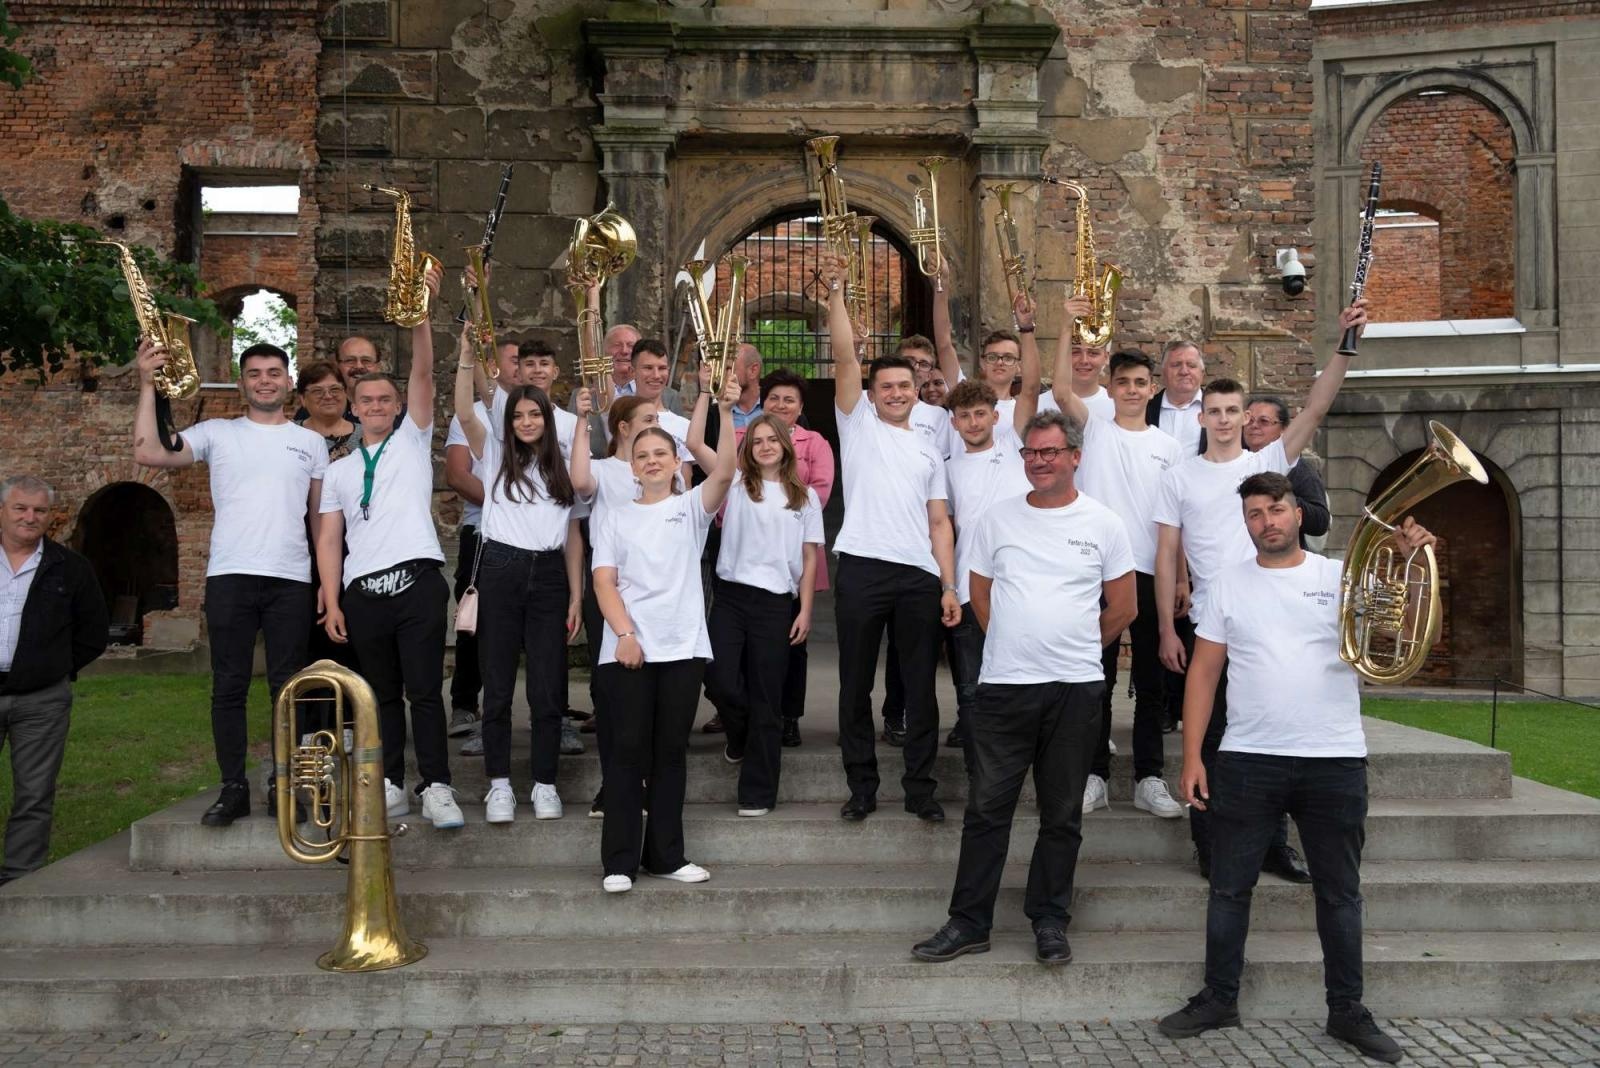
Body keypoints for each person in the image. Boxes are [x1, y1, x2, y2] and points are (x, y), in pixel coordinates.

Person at [1158, 471, 1420, 1065]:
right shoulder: (1226, 585)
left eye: (1275, 509)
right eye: (1253, 513)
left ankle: (1346, 1011)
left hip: (1334, 758)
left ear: (1298, 514)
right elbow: (1202, 674)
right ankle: (1219, 998)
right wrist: (1194, 755)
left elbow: (1389, 639)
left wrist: (1404, 568)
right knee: (1228, 889)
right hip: (1249, 757)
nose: (1265, 522)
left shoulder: (1341, 577)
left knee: (1340, 893)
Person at [1154, 300, 1368, 880]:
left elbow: (1318, 405)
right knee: (1216, 742)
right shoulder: (1177, 475)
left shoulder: (1267, 460)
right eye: (1214, 411)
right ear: (1199, 418)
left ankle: (1276, 847)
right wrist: (1168, 628)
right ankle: (1211, 846)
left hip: (1277, 622)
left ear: (1244, 415)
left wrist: (1345, 346)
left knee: (1271, 746)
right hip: (1211, 628)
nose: (1223, 419)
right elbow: (1167, 554)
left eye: (1232, 411)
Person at [911, 410, 1135, 965]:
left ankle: (1050, 919)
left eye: (1050, 452)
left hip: (1076, 689)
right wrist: (1017, 644)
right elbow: (979, 598)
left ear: (1075, 457)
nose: (1039, 461)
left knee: (1062, 814)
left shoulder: (1104, 522)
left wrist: (1076, 646)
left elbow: (1123, 607)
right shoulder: (995, 520)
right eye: (1031, 453)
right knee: (988, 809)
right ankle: (968, 922)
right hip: (1006, 688)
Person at [133, 340, 329, 827]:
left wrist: (327, 584)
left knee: (289, 689)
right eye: (255, 373)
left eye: (274, 372)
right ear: (242, 384)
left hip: (291, 579)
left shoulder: (310, 442)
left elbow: (321, 521)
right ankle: (233, 787)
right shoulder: (217, 433)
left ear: (288, 382)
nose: (265, 380)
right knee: (229, 687)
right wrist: (145, 383)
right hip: (230, 575)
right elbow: (149, 451)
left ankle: (284, 784)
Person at [317, 265, 465, 831]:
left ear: (396, 404)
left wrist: (422, 317)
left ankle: (439, 786)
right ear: (352, 408)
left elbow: (426, 373)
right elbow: (329, 538)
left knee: (425, 690)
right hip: (363, 592)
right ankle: (391, 782)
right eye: (366, 401)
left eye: (385, 399)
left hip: (417, 582)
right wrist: (332, 600)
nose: (376, 406)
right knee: (379, 696)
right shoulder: (340, 470)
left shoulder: (411, 438)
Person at [590, 376, 741, 893]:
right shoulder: (613, 516)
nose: (652, 460)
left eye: (661, 453)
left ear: (676, 463)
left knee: (670, 756)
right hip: (627, 650)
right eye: (643, 455)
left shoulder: (690, 508)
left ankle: (666, 855)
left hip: (682, 650)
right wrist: (625, 634)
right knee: (626, 755)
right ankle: (618, 862)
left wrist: (723, 406)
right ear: (631, 466)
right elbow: (603, 581)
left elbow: (726, 470)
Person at [826, 254, 961, 825]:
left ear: (917, 389)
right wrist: (836, 292)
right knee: (855, 684)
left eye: (906, 385)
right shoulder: (856, 423)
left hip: (918, 576)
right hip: (860, 566)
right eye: (887, 386)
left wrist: (949, 584)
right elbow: (843, 354)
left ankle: (920, 787)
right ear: (873, 391)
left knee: (922, 692)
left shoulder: (932, 447)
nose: (897, 393)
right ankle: (861, 785)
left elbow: (940, 523)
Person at [452, 330, 590, 823]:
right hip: (501, 570)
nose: (528, 421)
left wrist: (576, 594)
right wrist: (468, 358)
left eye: (536, 414)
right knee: (498, 685)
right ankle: (500, 785)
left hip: (550, 573)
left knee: (549, 687)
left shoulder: (561, 464)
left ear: (548, 419)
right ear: (509, 422)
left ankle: (546, 783)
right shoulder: (493, 454)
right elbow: (467, 412)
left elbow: (574, 533)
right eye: (519, 415)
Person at [1051, 335, 1185, 821]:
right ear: (1108, 387)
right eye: (1122, 382)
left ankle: (1150, 778)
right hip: (1096, 572)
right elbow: (1062, 390)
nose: (1131, 390)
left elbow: (1175, 520)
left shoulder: (1169, 447)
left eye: (1140, 383)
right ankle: (1095, 776)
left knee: (1152, 684)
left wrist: (1182, 579)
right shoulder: (1095, 429)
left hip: (1151, 571)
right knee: (1096, 679)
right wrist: (1068, 325)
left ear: (1153, 389)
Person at [702, 413, 824, 816]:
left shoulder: (804, 498)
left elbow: (809, 558)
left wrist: (805, 610)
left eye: (773, 439)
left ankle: (757, 792)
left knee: (768, 697)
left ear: (786, 445)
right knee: (719, 677)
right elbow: (694, 445)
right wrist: (720, 405)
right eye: (757, 441)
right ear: (747, 449)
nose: (766, 446)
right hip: (732, 598)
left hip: (776, 602)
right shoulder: (735, 484)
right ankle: (739, 737)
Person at [941, 289, 1041, 759]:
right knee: (970, 680)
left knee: (1016, 674)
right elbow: (944, 527)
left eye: (981, 413)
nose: (974, 421)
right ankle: (980, 756)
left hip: (1017, 583)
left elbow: (1034, 388)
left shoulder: (1012, 447)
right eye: (965, 415)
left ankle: (1014, 750)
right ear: (955, 422)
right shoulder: (947, 465)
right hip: (966, 583)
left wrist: (1027, 330)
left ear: (995, 417)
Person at [0, 475, 109, 885]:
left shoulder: (70, 567)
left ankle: (20, 878)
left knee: (34, 792)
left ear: (50, 516)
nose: (30, 518)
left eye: (39, 511)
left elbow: (94, 632)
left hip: (42, 699)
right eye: (20, 508)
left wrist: (54, 668)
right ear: (3, 511)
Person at [578, 394, 662, 817]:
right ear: (623, 427)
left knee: (651, 696)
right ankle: (612, 784)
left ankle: (645, 781)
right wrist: (581, 419)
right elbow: (578, 481)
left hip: (657, 595)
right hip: (610, 591)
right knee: (608, 691)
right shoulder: (603, 470)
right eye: (648, 418)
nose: (656, 421)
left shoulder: (666, 473)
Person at [746, 369, 834, 749]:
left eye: (789, 400)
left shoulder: (814, 443)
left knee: (793, 643)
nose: (781, 406)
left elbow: (821, 493)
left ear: (800, 408)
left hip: (798, 552)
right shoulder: (747, 439)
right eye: (774, 398)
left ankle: (789, 716)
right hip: (750, 557)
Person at [1244, 396, 1331, 552]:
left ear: (1284, 430)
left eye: (1263, 421)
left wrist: (1282, 499)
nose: (1254, 426)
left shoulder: (1300, 470)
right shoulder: (1233, 464)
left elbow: (1320, 522)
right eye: (1249, 420)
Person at [571, 322, 641, 457]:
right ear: (603, 353)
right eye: (617, 345)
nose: (625, 351)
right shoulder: (581, 396)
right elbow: (572, 442)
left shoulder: (668, 396)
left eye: (631, 346)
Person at [293, 360, 358, 461]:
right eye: (317, 391)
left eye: (335, 389)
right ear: (303, 399)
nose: (328, 396)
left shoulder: (368, 436)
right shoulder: (288, 434)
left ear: (345, 393)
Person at [1150, 340, 1206, 455]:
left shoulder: (1217, 408)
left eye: (1191, 365)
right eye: (1176, 365)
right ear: (1163, 373)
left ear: (1202, 373)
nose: (1184, 371)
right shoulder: (1146, 409)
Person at [728, 343, 764, 429]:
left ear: (753, 371)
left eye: (729, 369)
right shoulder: (715, 414)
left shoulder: (775, 407)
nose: (722, 376)